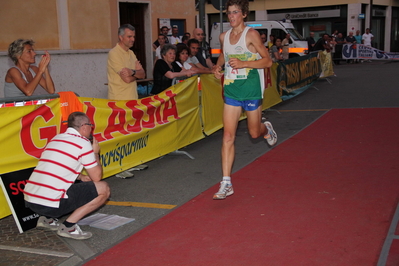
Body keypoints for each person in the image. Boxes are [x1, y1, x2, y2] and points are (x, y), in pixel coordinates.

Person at [212, 0, 276, 200]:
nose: (231, 17)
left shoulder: (251, 34)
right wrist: (217, 67)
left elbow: (268, 61)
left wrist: (244, 63)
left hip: (251, 91)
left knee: (254, 133)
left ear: (244, 14)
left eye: (235, 12)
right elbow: (224, 55)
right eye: (229, 13)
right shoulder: (224, 36)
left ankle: (267, 129)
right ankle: (226, 182)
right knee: (228, 137)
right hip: (232, 90)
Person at [23, 111, 110, 240]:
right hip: (48, 204)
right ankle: (69, 226)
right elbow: (97, 177)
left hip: (31, 200)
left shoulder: (56, 138)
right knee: (103, 188)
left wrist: (80, 177)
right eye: (90, 125)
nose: (91, 129)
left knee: (79, 184)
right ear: (84, 126)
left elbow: (57, 168)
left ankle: (47, 220)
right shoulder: (83, 143)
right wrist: (95, 153)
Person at [107, 24, 146, 101]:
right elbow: (127, 79)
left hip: (133, 99)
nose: (133, 39)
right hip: (119, 100)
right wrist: (136, 73)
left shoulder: (131, 53)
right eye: (129, 36)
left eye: (133, 37)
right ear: (121, 37)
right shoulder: (114, 53)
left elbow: (143, 74)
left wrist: (131, 72)